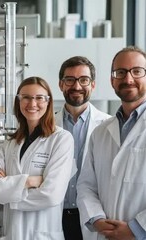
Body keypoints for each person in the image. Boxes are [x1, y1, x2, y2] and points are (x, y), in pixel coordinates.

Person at [0, 76, 75, 239]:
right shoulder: (9, 144)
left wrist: (10, 192)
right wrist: (30, 181)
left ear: (48, 102)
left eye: (39, 98)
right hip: (12, 233)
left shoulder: (61, 139)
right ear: (18, 102)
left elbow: (51, 194)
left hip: (43, 233)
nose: (32, 104)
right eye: (26, 97)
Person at [77, 46, 146, 240]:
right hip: (105, 234)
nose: (128, 79)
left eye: (137, 71)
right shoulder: (100, 132)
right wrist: (97, 219)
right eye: (121, 72)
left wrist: (136, 229)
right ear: (112, 80)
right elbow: (86, 185)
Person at [55, 56, 111, 240]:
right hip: (54, 216)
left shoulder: (107, 126)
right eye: (70, 80)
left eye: (84, 80)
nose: (77, 86)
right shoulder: (45, 126)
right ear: (61, 84)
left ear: (92, 85)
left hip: (91, 217)